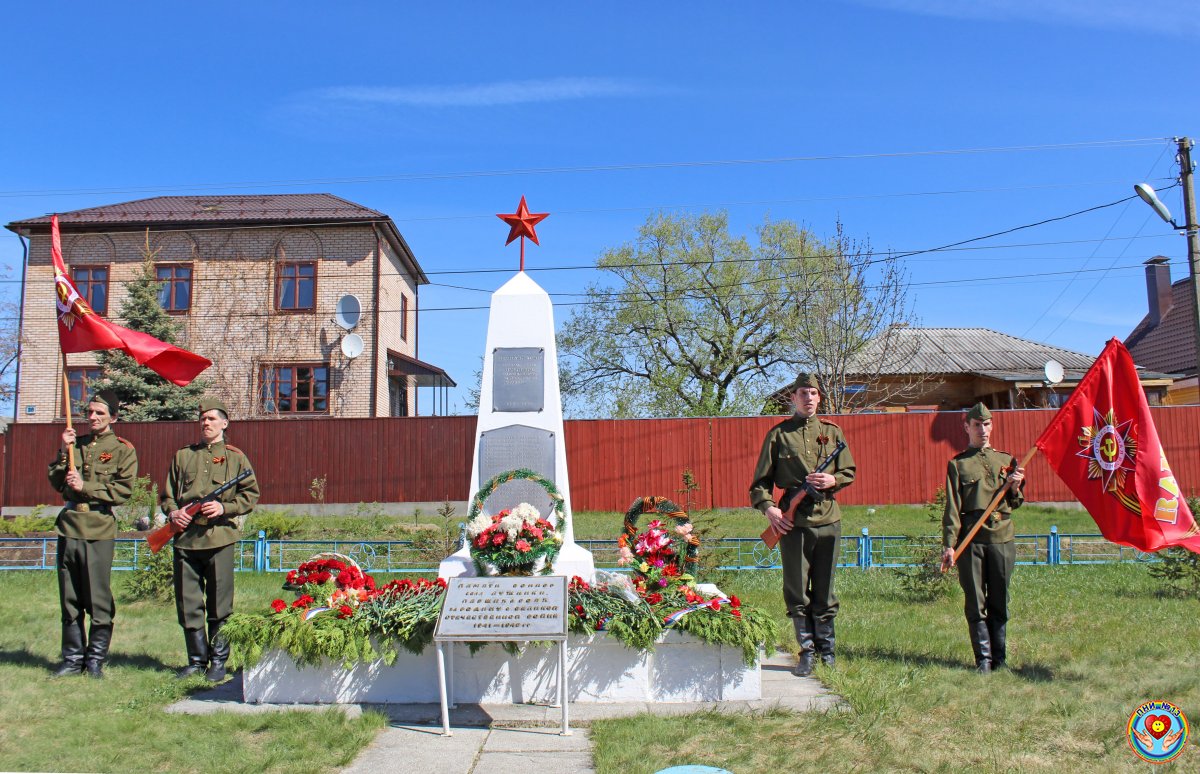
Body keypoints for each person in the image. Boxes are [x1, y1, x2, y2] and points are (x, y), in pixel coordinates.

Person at [750, 372, 856, 676]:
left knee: (824, 588)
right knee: (797, 589)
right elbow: (759, 484)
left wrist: (833, 479)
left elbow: (849, 470)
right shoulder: (779, 435)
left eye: (813, 393)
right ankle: (807, 652)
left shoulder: (833, 433)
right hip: (792, 524)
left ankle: (828, 652)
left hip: (828, 520)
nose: (808, 398)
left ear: (819, 398)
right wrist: (770, 509)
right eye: (802, 393)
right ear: (793, 398)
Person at [163, 398, 259, 681]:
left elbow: (250, 495)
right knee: (188, 602)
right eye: (203, 419)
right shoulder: (183, 456)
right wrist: (173, 513)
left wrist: (223, 508)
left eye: (212, 419)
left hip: (219, 537)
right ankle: (195, 660)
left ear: (225, 423)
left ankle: (218, 661)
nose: (206, 423)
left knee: (220, 604)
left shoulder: (235, 457)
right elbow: (168, 495)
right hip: (186, 539)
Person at [46, 389, 137, 678]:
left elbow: (123, 491)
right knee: (69, 596)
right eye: (90, 412)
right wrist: (63, 451)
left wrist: (86, 486)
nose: (93, 417)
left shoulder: (123, 449)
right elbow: (57, 483)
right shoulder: (78, 445)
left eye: (100, 413)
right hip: (70, 525)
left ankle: (95, 659)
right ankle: (72, 658)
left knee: (97, 597)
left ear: (113, 416)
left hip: (98, 526)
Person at [940, 403, 1026, 674]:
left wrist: (1015, 486)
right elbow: (953, 508)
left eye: (986, 424)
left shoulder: (1007, 461)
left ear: (992, 426)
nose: (982, 430)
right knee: (976, 601)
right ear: (967, 428)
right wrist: (949, 545)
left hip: (1002, 537)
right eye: (977, 425)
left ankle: (1000, 660)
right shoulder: (958, 464)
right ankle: (983, 661)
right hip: (972, 539)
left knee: (999, 598)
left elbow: (1016, 502)